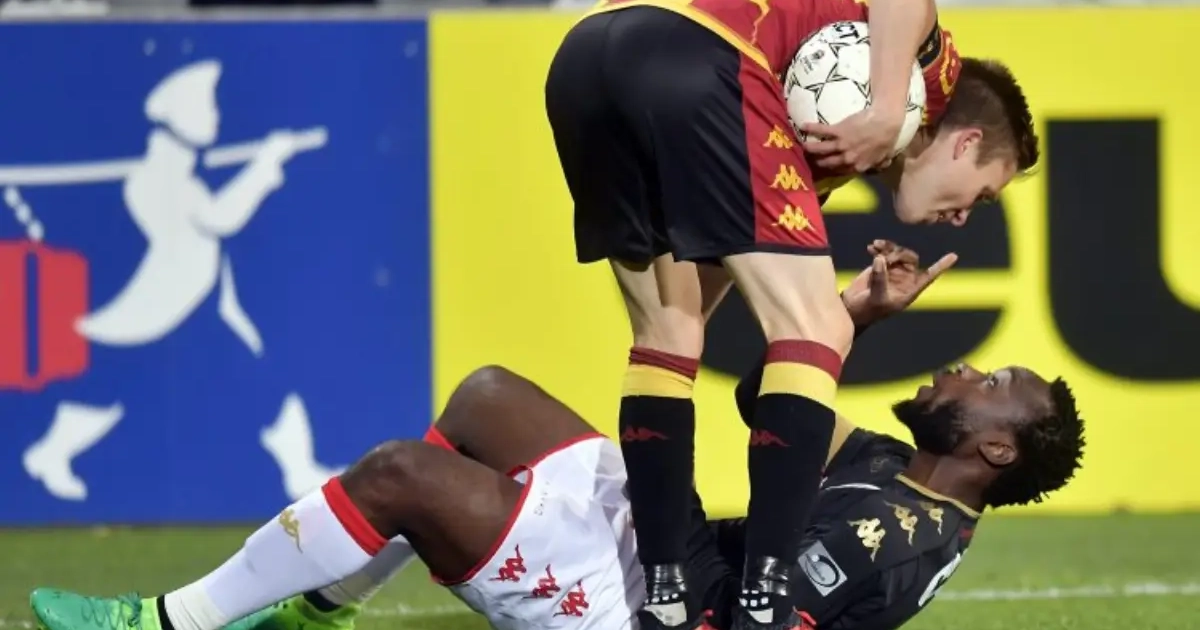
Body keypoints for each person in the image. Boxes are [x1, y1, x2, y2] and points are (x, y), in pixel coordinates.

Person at [29, 242, 1085, 630]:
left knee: (398, 476)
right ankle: (323, 607)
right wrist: (849, 317)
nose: (969, 370)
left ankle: (162, 621)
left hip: (645, 608)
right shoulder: (901, 473)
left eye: (994, 386)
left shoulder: (891, 540)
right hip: (670, 553)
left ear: (995, 450)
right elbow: (766, 404)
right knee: (486, 396)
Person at [546, 0, 1039, 626]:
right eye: (983, 193)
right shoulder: (930, 82)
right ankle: (767, 600)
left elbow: (703, 291)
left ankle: (667, 589)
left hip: (586, 59)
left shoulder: (809, 142)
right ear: (967, 143)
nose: (965, 216)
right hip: (702, 51)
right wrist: (888, 112)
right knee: (815, 329)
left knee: (671, 332)